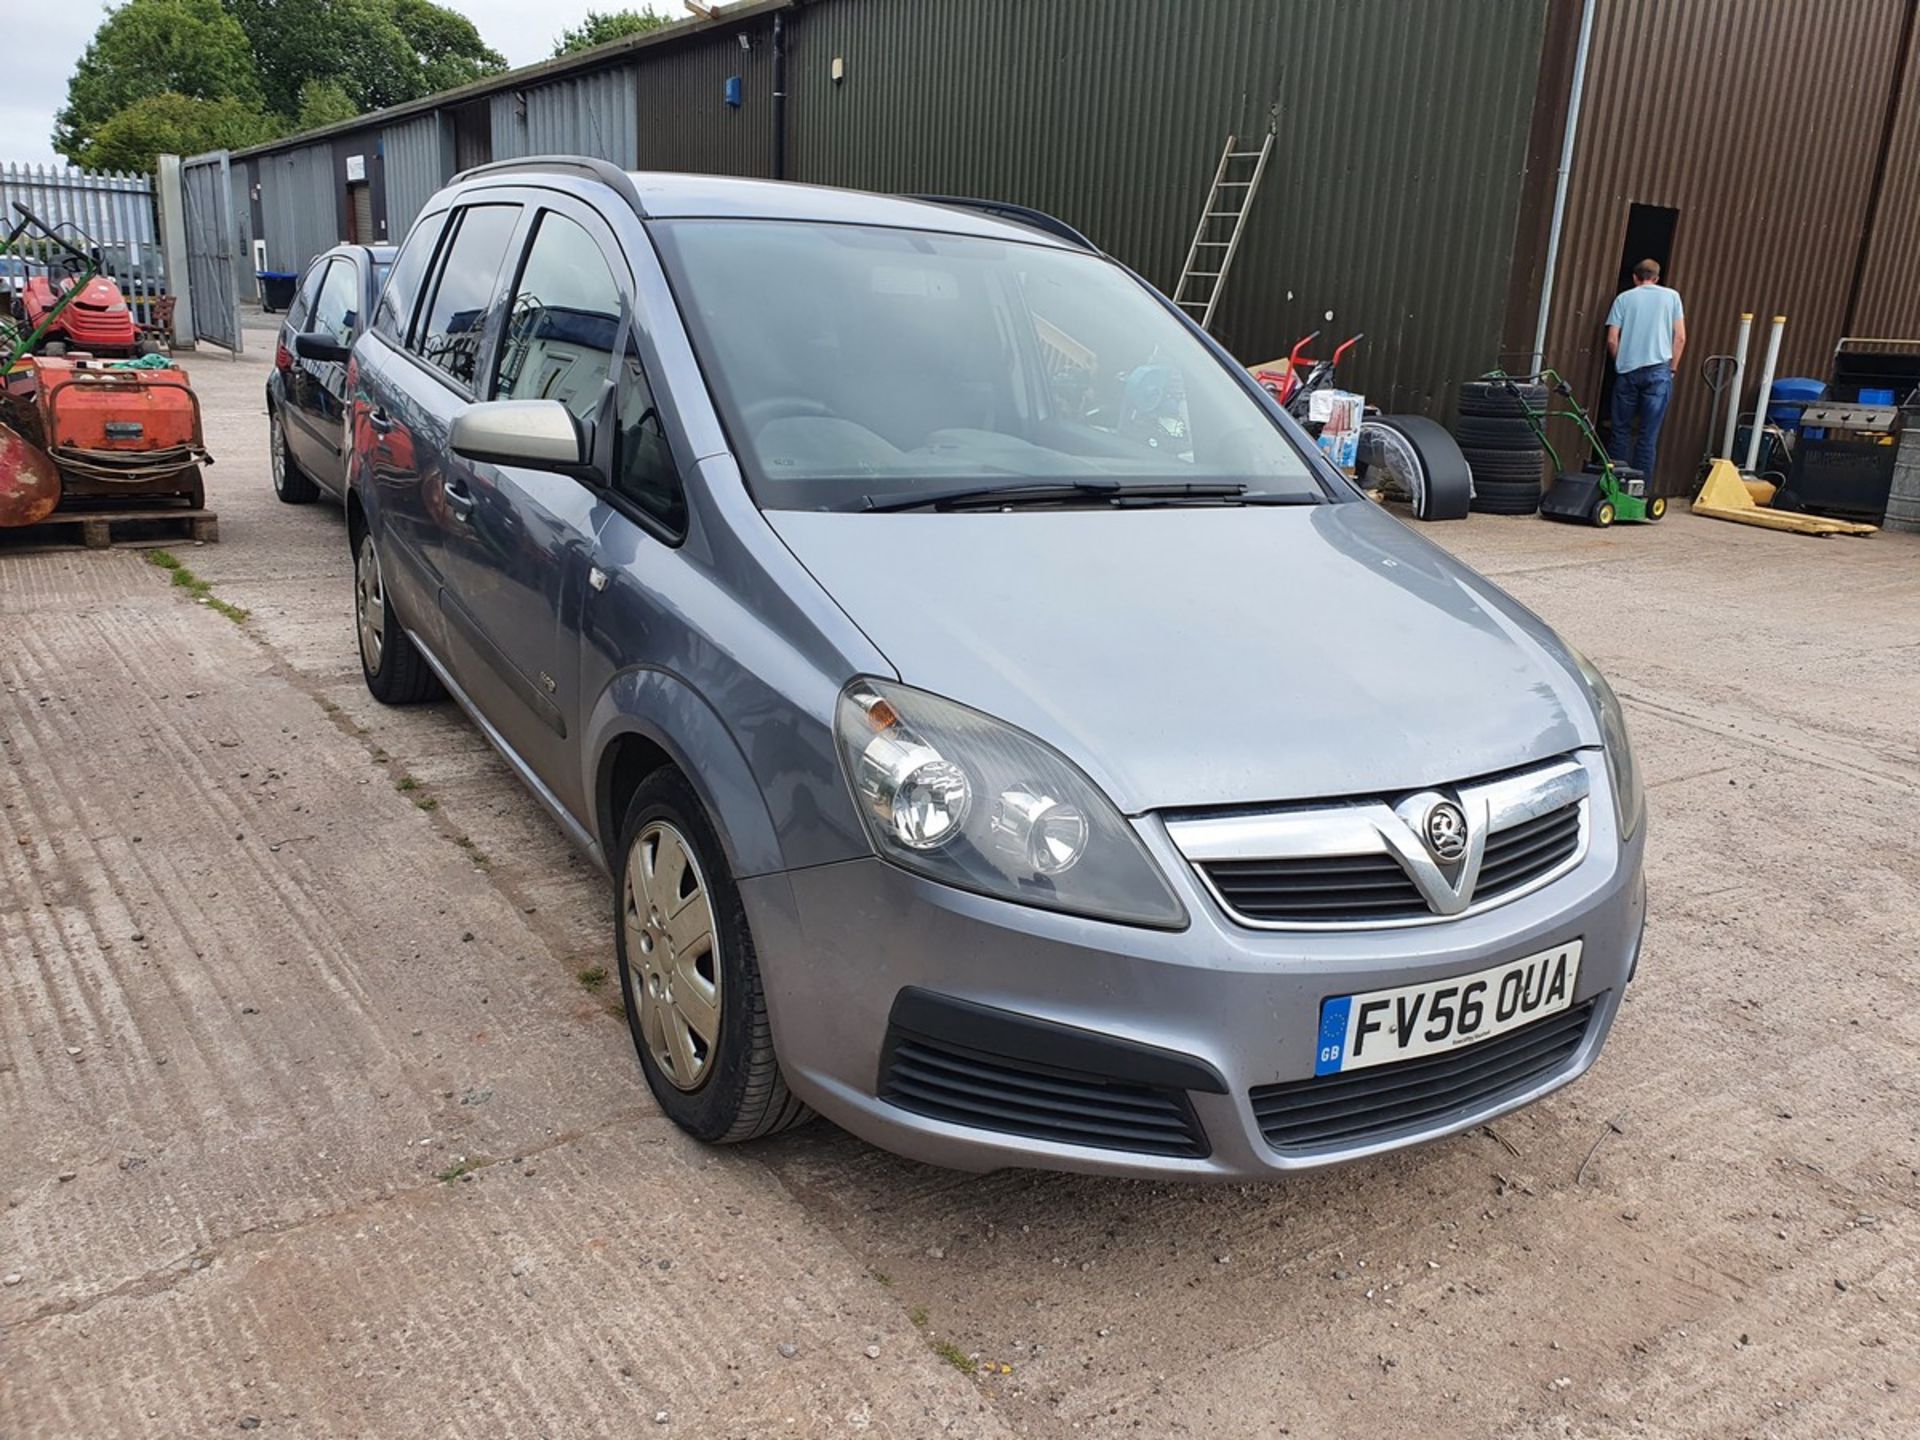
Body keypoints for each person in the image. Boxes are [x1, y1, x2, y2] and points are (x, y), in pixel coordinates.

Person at [1605, 259, 1685, 478]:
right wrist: (1672, 370)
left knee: (1620, 431)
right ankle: (1640, 490)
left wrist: (1621, 363)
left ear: (1634, 277)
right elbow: (1680, 338)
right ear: (1657, 278)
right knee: (1647, 436)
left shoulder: (1623, 299)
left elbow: (1612, 339)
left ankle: (1615, 485)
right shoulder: (1672, 297)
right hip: (1659, 372)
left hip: (1628, 371)